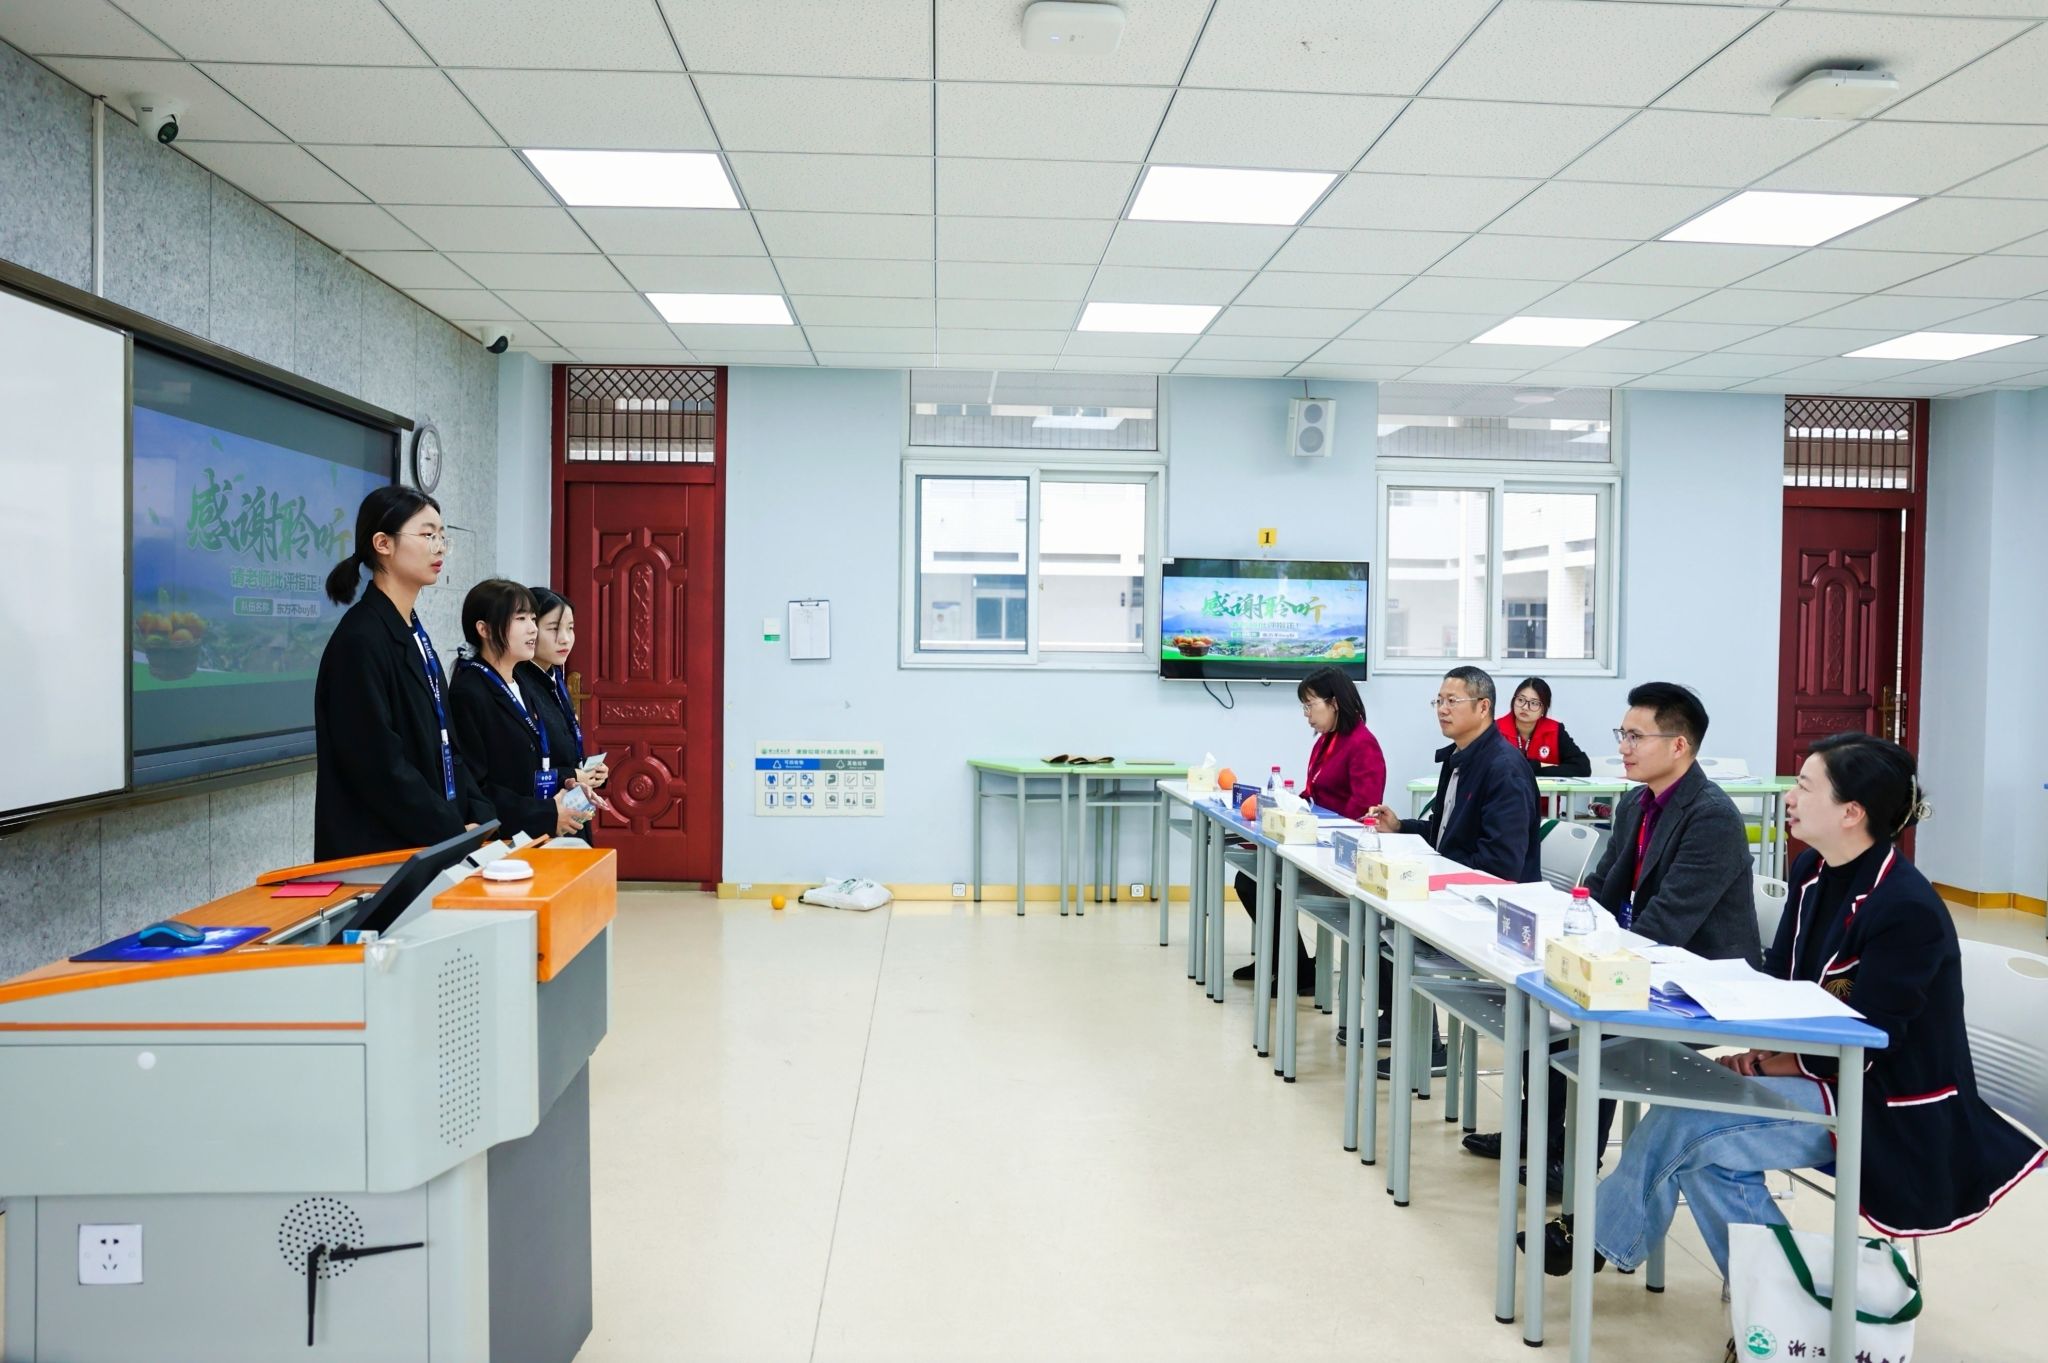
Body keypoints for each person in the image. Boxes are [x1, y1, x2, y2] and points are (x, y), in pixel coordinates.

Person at [1523, 733, 2045, 1338]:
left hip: (1883, 1103)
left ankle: (1598, 1235)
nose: (1789, 798)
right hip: (1822, 1071)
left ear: (1851, 813)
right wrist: (1762, 1047)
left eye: (1804, 786)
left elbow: (1875, 1036)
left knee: (1691, 1123)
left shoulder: (1906, 907)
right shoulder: (1814, 870)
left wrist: (1777, 1063)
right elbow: (1783, 979)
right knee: (1706, 1153)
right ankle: (1781, 1318)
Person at [1466, 682, 1761, 1194]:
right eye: (1622, 734)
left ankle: (1574, 1163)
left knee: (1593, 1021)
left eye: (1635, 737)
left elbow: (1667, 923)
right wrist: (1567, 940)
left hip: (1697, 981)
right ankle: (1536, 1134)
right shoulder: (1635, 805)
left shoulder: (1710, 816)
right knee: (1543, 1000)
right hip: (1642, 957)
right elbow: (1600, 891)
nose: (1623, 747)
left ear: (1679, 745)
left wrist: (1595, 963)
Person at [1357, 667, 1541, 1071]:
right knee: (1373, 912)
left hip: (1493, 910)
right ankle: (1404, 1027)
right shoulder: (1458, 759)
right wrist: (1401, 827)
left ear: (1483, 707)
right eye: (1438, 701)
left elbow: (1500, 867)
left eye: (1452, 701)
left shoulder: (1503, 768)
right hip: (1458, 893)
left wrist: (1429, 876)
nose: (1442, 709)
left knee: (1396, 920)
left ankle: (1427, 1048)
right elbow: (1447, 836)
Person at [314, 486, 494, 860]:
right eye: (428, 535)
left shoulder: (412, 630)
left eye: (442, 537)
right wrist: (449, 829)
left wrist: (479, 816)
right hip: (381, 855)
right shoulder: (361, 639)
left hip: (432, 839)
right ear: (383, 543)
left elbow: (448, 743)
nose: (439, 548)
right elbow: (379, 767)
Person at [1232, 667, 1385, 991]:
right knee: (1250, 877)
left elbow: (1363, 812)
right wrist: (1287, 807)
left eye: (1310, 705)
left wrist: (1311, 825)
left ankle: (1294, 967)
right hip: (1313, 844)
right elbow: (1313, 795)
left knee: (1257, 881)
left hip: (1338, 854)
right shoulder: (1326, 741)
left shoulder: (1362, 745)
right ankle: (1287, 961)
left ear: (1334, 703)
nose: (1306, 714)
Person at [448, 578, 591, 842]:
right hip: (505, 838)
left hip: (539, 828)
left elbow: (528, 767)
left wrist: (565, 782)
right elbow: (477, 787)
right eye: (521, 619)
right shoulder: (469, 692)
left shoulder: (520, 684)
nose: (532, 629)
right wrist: (545, 814)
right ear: (484, 629)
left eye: (533, 619)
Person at [517, 587, 609, 833]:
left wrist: (588, 771)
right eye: (553, 629)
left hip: (571, 806)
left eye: (570, 628)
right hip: (541, 815)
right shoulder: (517, 684)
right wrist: (572, 774)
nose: (565, 639)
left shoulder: (554, 677)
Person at [1498, 677, 1592, 777]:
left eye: (1534, 703)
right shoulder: (1495, 729)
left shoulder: (1555, 730)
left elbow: (1582, 767)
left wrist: (1538, 769)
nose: (1525, 707)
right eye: (1521, 700)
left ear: (1544, 709)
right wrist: (1541, 765)